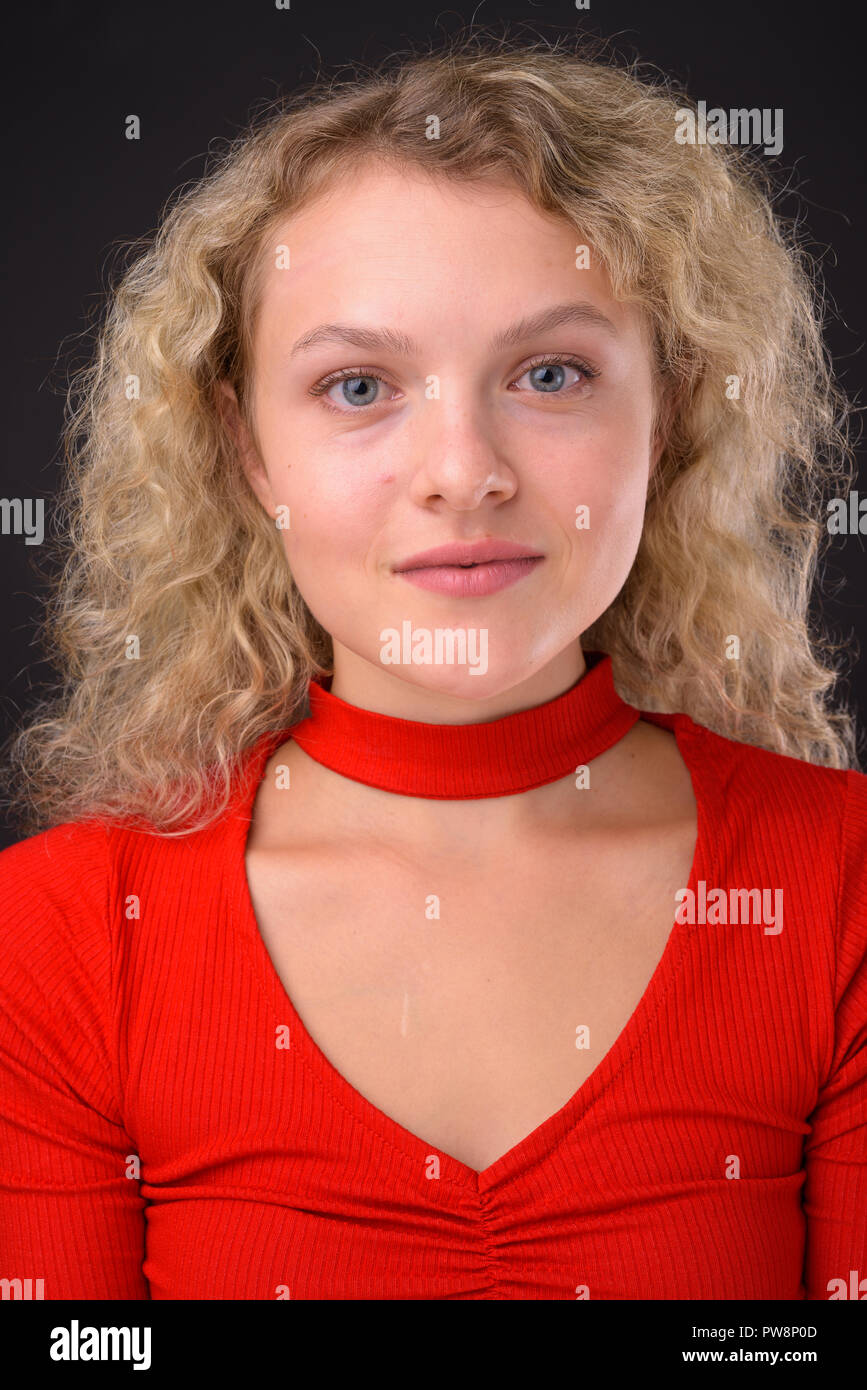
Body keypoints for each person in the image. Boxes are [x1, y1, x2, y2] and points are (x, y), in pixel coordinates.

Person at [0, 34, 865, 1302]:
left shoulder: (840, 889)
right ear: (247, 451)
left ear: (669, 413)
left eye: (552, 373)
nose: (464, 470)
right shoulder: (58, 936)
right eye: (358, 385)